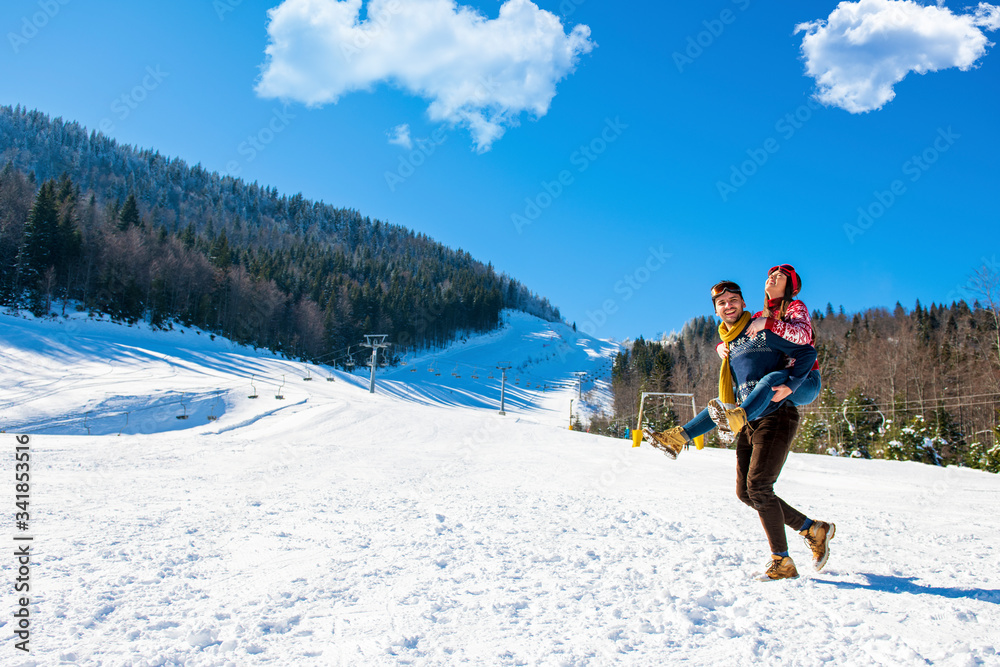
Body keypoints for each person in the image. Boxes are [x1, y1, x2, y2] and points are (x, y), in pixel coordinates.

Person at [644, 280, 835, 580]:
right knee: (746, 493)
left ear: (744, 304)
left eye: (734, 300)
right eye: (722, 303)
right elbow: (726, 398)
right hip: (747, 420)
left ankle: (782, 561)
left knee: (759, 487)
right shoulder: (729, 345)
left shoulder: (764, 330)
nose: (728, 305)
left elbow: (807, 353)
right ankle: (812, 529)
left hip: (776, 415)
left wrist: (792, 384)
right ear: (716, 311)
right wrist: (725, 349)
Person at [707, 264, 822, 443]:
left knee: (767, 382)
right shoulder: (761, 315)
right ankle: (682, 435)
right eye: (771, 274)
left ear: (792, 287)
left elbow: (803, 336)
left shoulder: (795, 306)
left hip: (804, 379)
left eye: (780, 276)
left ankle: (737, 420)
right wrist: (721, 346)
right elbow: (742, 339)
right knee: (734, 393)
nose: (773, 277)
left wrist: (769, 323)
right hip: (778, 378)